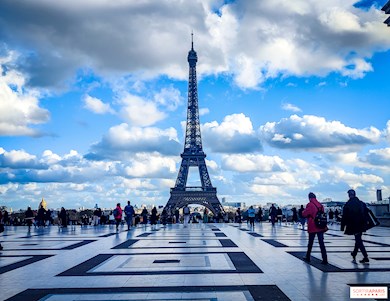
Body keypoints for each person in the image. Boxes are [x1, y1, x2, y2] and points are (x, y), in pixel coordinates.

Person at [341, 189, 369, 264]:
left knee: (359, 241)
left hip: (353, 225)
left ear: (349, 195)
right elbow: (366, 213)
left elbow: (344, 216)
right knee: (358, 239)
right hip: (361, 224)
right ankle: (354, 253)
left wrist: (342, 226)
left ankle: (365, 256)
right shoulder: (361, 203)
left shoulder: (348, 204)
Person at [302, 192, 328, 264]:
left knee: (310, 242)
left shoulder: (310, 205)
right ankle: (325, 258)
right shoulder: (320, 205)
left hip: (313, 225)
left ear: (309, 198)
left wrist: (303, 212)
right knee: (321, 242)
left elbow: (304, 214)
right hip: (320, 226)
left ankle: (308, 256)